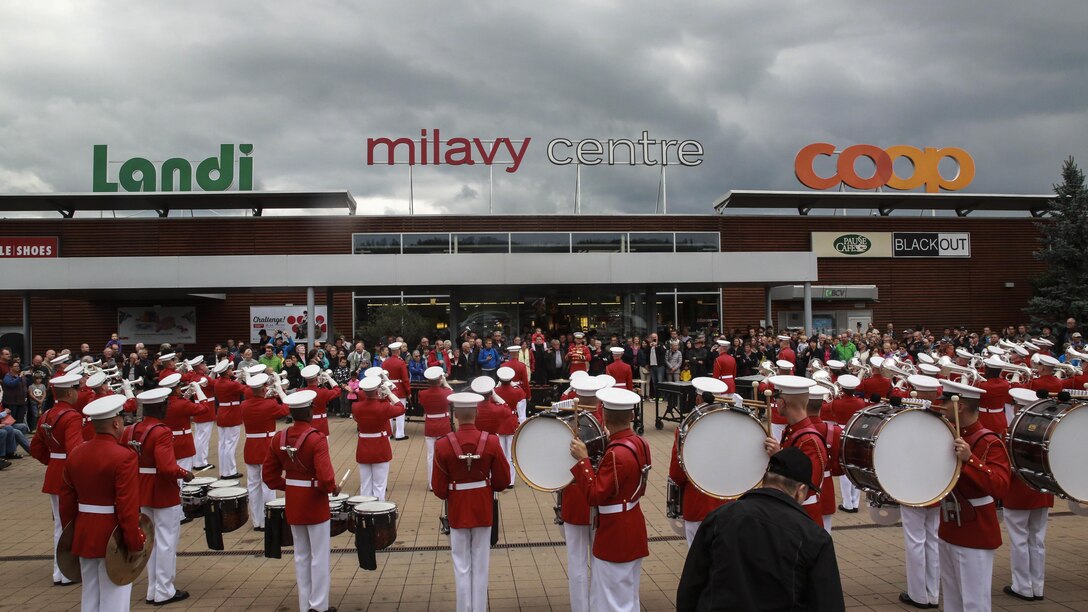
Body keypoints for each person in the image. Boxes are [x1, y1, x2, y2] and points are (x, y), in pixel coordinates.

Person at [676, 447, 845, 611]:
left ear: (765, 481)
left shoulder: (720, 517)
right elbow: (828, 603)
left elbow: (690, 587)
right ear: (800, 491)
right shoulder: (813, 536)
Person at [59, 394, 145, 612]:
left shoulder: (77, 453)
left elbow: (66, 501)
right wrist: (134, 540)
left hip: (84, 529)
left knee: (90, 593)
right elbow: (127, 505)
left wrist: (71, 533)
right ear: (116, 423)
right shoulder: (124, 456)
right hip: (112, 533)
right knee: (115, 596)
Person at [569, 386, 650, 612]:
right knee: (628, 597)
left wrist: (584, 461)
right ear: (632, 416)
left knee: (612, 602)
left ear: (603, 415)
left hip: (615, 534)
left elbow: (595, 495)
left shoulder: (616, 453)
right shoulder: (639, 442)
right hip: (632, 524)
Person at [431, 391, 511, 612]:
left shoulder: (442, 445)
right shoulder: (492, 441)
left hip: (457, 508)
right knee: (481, 564)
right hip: (483, 508)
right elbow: (503, 481)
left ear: (455, 415)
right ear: (476, 413)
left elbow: (438, 489)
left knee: (461, 564)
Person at [936, 379, 1011, 612]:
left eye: (945, 402)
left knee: (974, 602)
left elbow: (1000, 486)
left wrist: (971, 460)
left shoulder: (989, 441)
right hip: (949, 526)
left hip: (975, 528)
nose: (941, 406)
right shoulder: (947, 436)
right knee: (952, 599)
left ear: (959, 406)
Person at [263, 390, 339, 612]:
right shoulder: (317, 438)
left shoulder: (279, 437)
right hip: (315, 503)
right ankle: (320, 606)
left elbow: (268, 476)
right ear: (309, 411)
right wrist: (333, 488)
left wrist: (290, 487)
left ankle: (304, 605)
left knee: (301, 555)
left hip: (294, 502)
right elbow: (326, 479)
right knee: (319, 556)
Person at [122, 387, 194, 606]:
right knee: (166, 541)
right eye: (165, 405)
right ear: (160, 406)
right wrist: (186, 474)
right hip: (162, 490)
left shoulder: (131, 429)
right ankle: (164, 590)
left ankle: (154, 589)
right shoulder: (161, 431)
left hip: (140, 488)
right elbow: (166, 467)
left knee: (151, 541)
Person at [29, 372, 85, 586]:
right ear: (70, 392)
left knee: (60, 525)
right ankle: (67, 571)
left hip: (54, 472)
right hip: (68, 476)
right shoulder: (72, 416)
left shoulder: (46, 415)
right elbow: (75, 450)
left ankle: (60, 572)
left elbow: (35, 447)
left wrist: (52, 461)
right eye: (77, 390)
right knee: (69, 523)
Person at [897, 375, 944, 609]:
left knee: (915, 541)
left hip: (913, 488)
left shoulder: (909, 420)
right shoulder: (944, 419)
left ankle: (918, 594)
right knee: (933, 540)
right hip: (938, 486)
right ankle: (933, 593)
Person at [1002, 387, 1053, 602]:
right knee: (1037, 540)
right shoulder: (1047, 428)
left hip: (1018, 492)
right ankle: (1037, 587)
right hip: (1042, 491)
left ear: (1017, 407)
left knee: (1019, 540)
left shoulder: (1012, 431)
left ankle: (1023, 586)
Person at [670, 379, 731, 546]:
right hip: (729, 508)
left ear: (697, 400)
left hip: (697, 505)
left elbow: (677, 475)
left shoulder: (685, 429)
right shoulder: (735, 429)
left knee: (697, 564)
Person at [763, 375, 826, 526]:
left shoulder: (809, 440)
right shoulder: (793, 431)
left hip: (802, 516)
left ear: (782, 402)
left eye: (777, 398)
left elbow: (807, 488)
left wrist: (779, 457)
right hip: (792, 512)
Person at [241, 372, 289, 529]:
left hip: (250, 446)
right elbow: (286, 408)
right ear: (263, 389)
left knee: (253, 485)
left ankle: (257, 521)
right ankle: (270, 519)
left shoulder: (244, 405)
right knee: (269, 484)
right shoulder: (269, 405)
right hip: (267, 446)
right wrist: (280, 391)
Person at [352, 376, 404, 500]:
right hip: (380, 446)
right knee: (379, 485)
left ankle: (364, 510)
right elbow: (401, 408)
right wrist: (389, 394)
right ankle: (378, 512)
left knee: (365, 483)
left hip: (363, 445)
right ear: (377, 391)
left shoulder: (356, 406)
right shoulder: (383, 406)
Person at [829, 374, 864, 512]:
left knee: (844, 467)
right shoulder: (860, 402)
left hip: (841, 432)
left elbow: (826, 409)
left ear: (842, 389)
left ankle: (847, 502)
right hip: (855, 431)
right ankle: (855, 503)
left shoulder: (836, 403)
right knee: (855, 466)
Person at [417, 366, 454, 488]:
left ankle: (432, 483)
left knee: (430, 455)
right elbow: (452, 394)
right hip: (443, 424)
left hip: (430, 425)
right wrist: (445, 382)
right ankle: (444, 480)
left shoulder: (422, 393)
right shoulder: (446, 392)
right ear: (440, 379)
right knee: (445, 454)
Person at [211, 360, 246, 479]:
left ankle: (223, 471)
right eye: (230, 369)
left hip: (222, 412)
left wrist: (238, 379)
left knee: (223, 444)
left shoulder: (218, 383)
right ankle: (230, 471)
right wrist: (246, 376)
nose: (232, 370)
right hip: (232, 414)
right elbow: (246, 389)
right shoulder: (232, 384)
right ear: (226, 372)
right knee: (230, 444)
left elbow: (232, 388)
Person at [493, 367, 524, 484]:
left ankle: (501, 477)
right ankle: (510, 480)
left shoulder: (496, 390)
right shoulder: (517, 390)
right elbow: (521, 407)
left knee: (500, 453)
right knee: (511, 454)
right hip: (511, 420)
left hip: (500, 421)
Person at [300, 365, 342, 436]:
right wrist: (329, 378)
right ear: (316, 378)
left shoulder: (301, 392)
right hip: (321, 424)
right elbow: (337, 390)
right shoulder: (323, 391)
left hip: (306, 424)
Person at [381, 342, 411, 441]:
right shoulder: (401, 362)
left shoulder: (385, 362)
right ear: (398, 351)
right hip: (399, 388)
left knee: (388, 411)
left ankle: (389, 433)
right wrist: (408, 391)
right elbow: (405, 379)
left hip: (388, 387)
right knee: (400, 412)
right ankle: (400, 434)